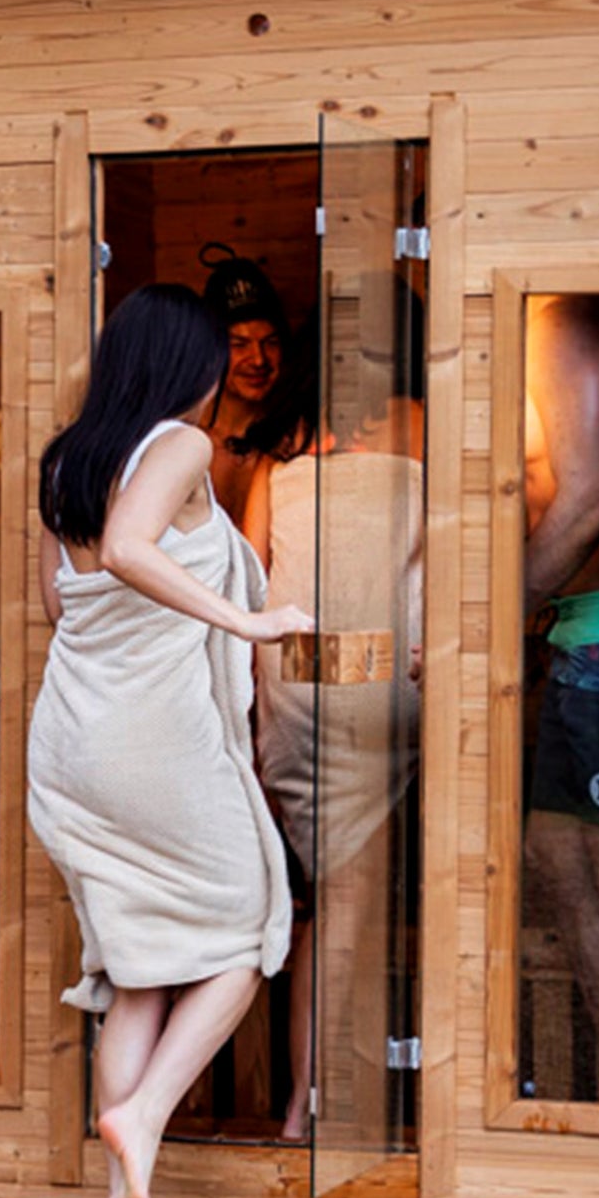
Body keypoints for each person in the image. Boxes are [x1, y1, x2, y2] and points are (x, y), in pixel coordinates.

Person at [26, 282, 314, 1198]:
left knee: (135, 971)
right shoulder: (180, 448)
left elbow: (60, 602)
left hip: (70, 740)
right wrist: (247, 621)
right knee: (251, 925)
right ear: (187, 366)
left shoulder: (66, 458)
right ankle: (143, 1115)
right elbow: (127, 549)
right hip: (156, 739)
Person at [243, 292, 425, 1140]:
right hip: (385, 677)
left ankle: (302, 1105)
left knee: (325, 898)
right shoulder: (424, 424)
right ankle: (320, 1111)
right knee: (352, 900)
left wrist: (248, 722)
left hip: (296, 684)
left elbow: (249, 584)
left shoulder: (277, 450)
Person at [520, 292, 599, 1075]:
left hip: (598, 636)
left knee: (583, 868)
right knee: (557, 853)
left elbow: (588, 494)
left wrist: (494, 618)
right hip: (576, 629)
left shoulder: (553, 320)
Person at [199, 246, 291, 527]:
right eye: (239, 345)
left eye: (270, 343)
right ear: (212, 350)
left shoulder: (292, 440)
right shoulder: (187, 440)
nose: (259, 359)